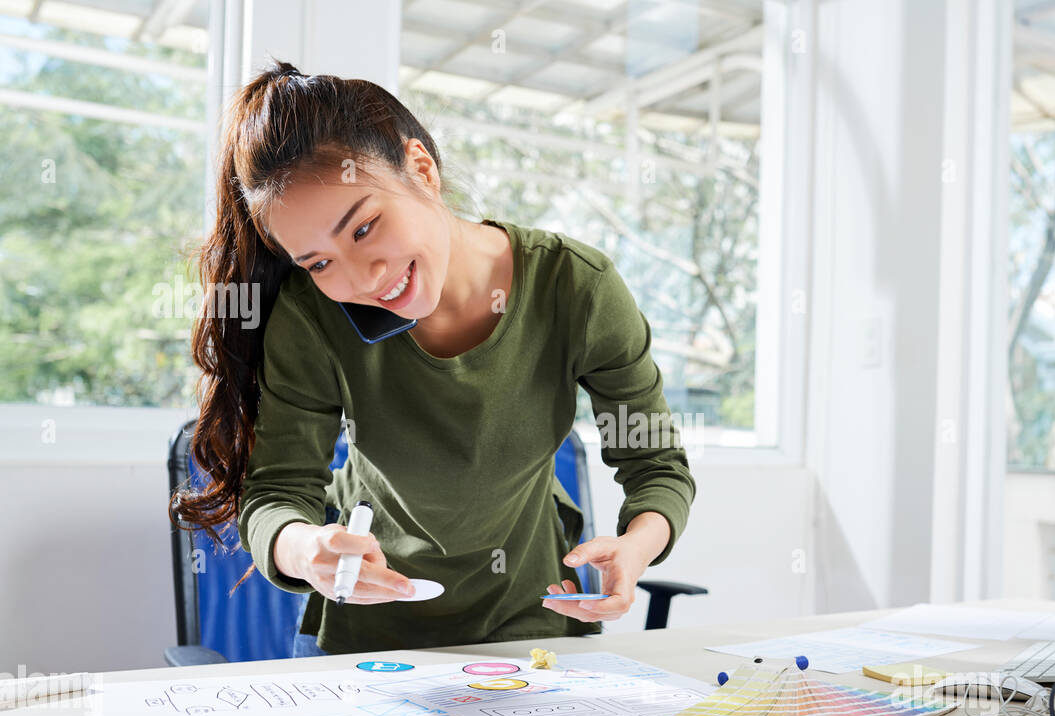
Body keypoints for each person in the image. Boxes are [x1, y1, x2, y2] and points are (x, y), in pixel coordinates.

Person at [169, 60, 695, 656]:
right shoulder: (311, 316)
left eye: (364, 228)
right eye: (318, 262)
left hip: (536, 624)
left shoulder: (575, 286)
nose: (361, 278)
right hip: (369, 642)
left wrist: (636, 546)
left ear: (421, 169)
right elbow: (278, 492)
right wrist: (302, 548)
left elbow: (656, 463)